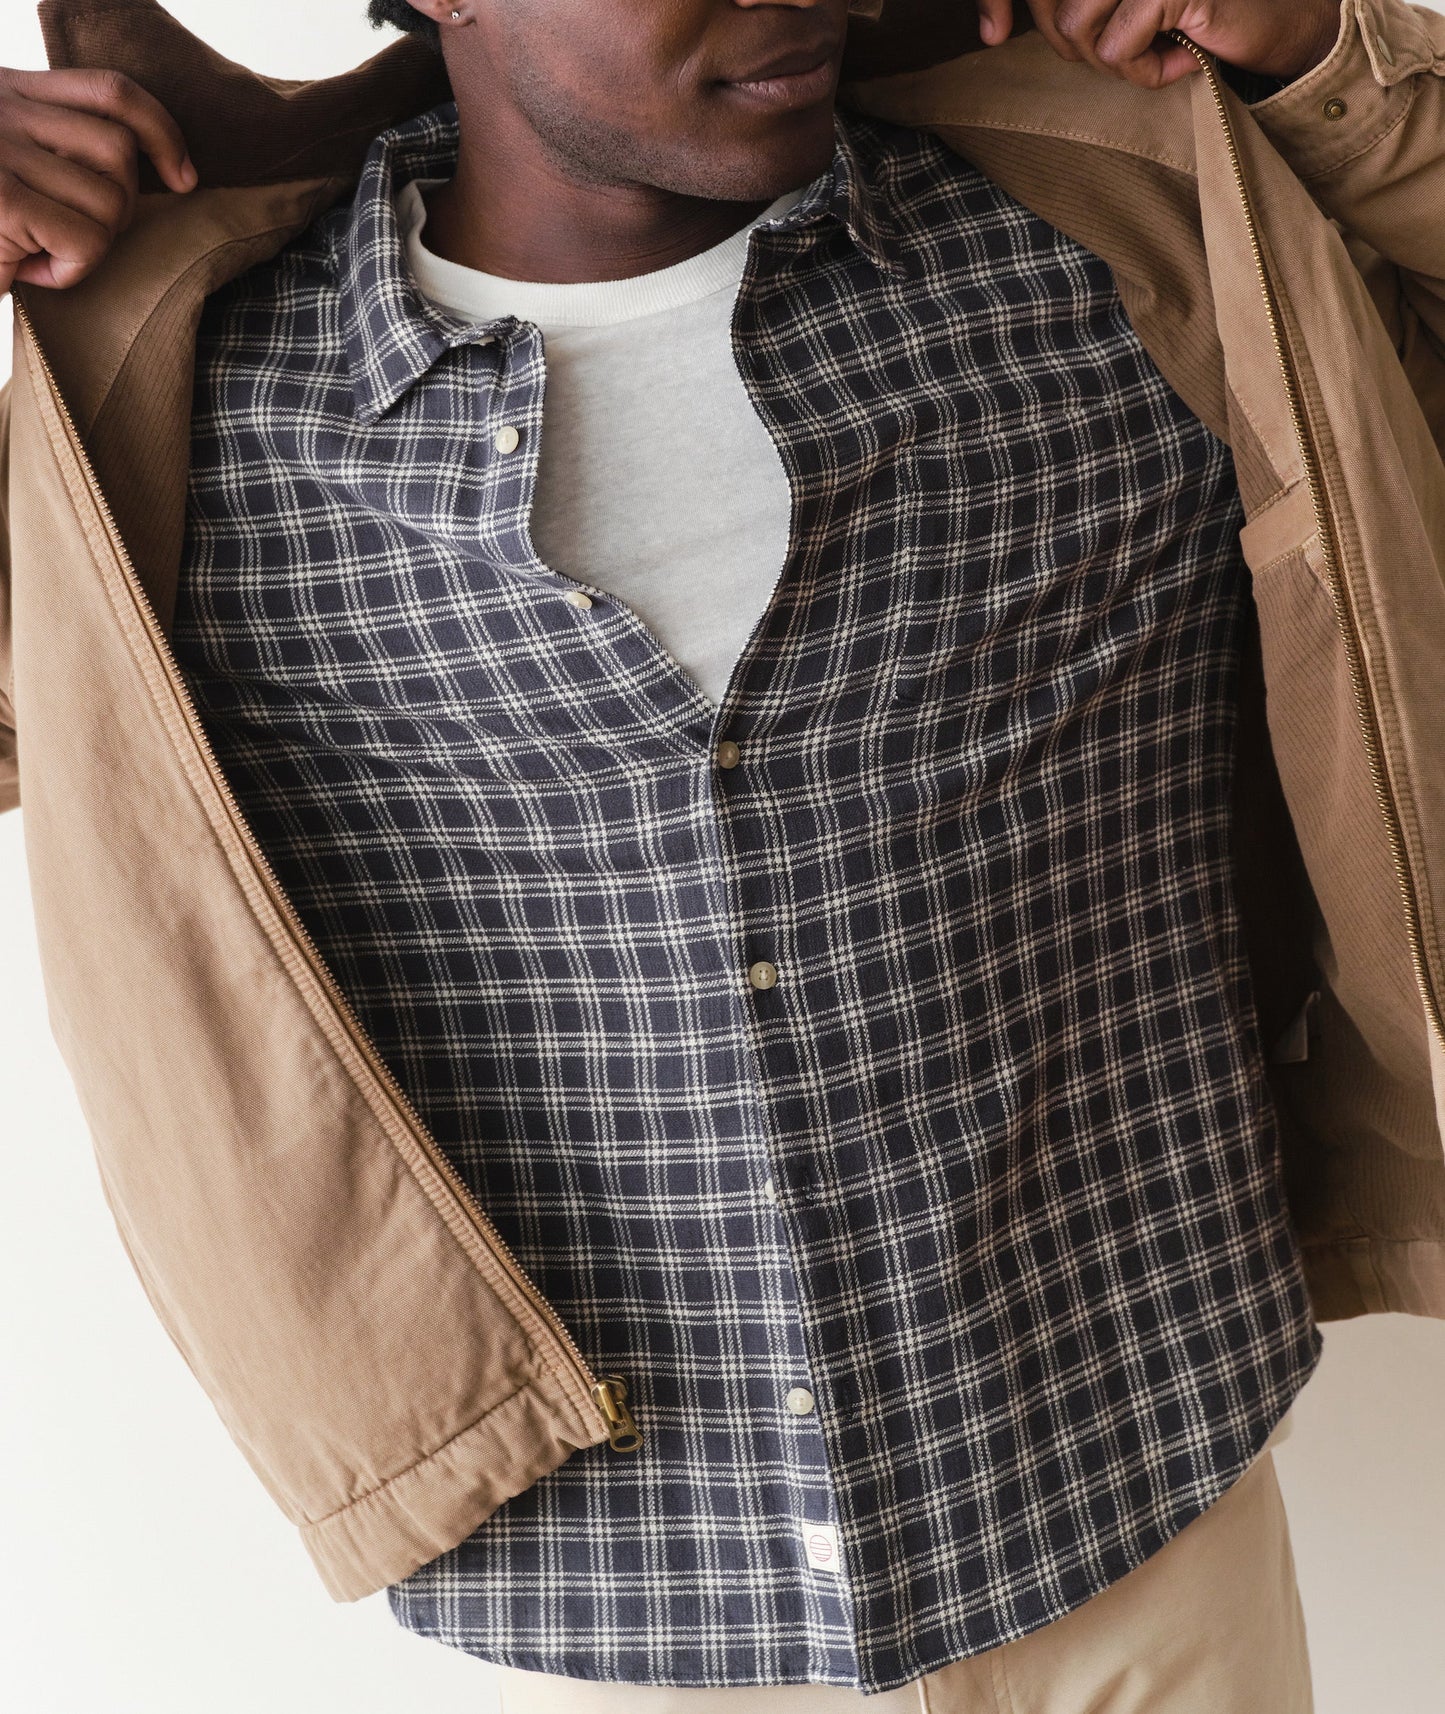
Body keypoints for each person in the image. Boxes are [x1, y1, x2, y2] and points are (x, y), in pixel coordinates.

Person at [3, 0, 1444, 1708]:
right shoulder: (179, 398)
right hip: (597, 1604)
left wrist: (1315, 57)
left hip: (1139, 1516)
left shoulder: (1105, 239)